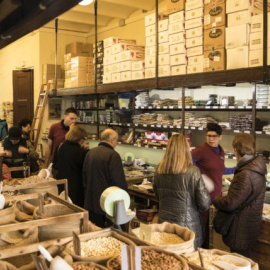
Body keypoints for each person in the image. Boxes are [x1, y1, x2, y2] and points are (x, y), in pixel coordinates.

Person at [213, 133, 266, 258]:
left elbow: (231, 203)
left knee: (240, 260)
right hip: (249, 224)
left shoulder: (245, 173)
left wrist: (215, 200)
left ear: (236, 150)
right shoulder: (257, 167)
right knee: (244, 259)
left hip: (240, 228)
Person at [153, 134, 211, 249]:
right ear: (186, 149)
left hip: (164, 226)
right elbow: (204, 204)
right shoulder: (193, 171)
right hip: (187, 228)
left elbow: (157, 196)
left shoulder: (159, 169)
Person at [191, 123, 235, 248]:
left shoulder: (220, 151)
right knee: (201, 227)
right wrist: (200, 178)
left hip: (216, 197)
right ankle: (197, 252)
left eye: (214, 136)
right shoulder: (201, 150)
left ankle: (206, 252)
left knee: (210, 228)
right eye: (209, 136)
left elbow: (220, 170)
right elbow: (188, 166)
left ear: (220, 137)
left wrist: (236, 169)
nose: (211, 139)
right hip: (203, 196)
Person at [83, 128, 127, 228]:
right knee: (112, 234)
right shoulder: (113, 155)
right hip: (107, 202)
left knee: (95, 231)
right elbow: (118, 181)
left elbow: (84, 177)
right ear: (112, 139)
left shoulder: (90, 152)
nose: (116, 143)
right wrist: (124, 198)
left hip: (91, 200)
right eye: (116, 140)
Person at [52, 126, 89, 208]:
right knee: (75, 210)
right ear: (80, 139)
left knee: (62, 208)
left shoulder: (60, 146)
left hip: (61, 185)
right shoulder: (82, 152)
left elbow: (55, 165)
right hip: (76, 188)